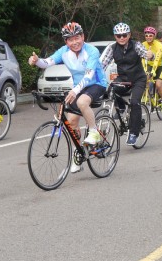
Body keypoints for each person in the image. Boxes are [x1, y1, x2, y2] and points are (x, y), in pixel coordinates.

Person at [28, 22, 107, 173]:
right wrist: (36, 61)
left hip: (96, 84)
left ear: (83, 37)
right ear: (66, 41)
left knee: (83, 101)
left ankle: (94, 132)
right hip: (79, 87)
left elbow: (89, 75)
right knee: (71, 122)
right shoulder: (64, 51)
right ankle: (79, 153)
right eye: (70, 39)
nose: (74, 42)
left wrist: (75, 91)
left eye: (77, 38)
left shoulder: (92, 51)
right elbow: (47, 62)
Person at [100, 22, 154, 145]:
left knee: (135, 102)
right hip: (123, 78)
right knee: (111, 89)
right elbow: (102, 65)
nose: (122, 38)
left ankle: (134, 132)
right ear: (115, 36)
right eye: (118, 36)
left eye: (124, 35)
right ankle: (122, 108)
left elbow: (145, 53)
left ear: (129, 35)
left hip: (138, 79)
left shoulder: (136, 45)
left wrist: (150, 55)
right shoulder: (112, 48)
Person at [141, 26, 162, 114]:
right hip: (149, 65)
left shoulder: (159, 45)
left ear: (154, 36)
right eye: (146, 35)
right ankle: (148, 97)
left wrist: (153, 71)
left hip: (160, 66)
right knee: (145, 80)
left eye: (150, 35)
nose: (148, 37)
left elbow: (157, 59)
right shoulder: (143, 45)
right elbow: (142, 59)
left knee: (158, 84)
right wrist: (145, 70)